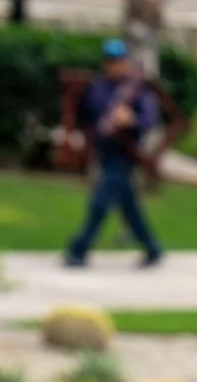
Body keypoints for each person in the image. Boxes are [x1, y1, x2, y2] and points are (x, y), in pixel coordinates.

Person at [63, 38, 163, 269]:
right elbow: (84, 115)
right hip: (104, 154)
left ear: (126, 62)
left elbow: (150, 119)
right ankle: (153, 248)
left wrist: (131, 120)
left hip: (125, 154)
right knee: (129, 207)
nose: (113, 65)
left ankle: (78, 249)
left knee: (99, 203)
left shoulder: (135, 89)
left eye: (118, 60)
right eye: (110, 60)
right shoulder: (98, 87)